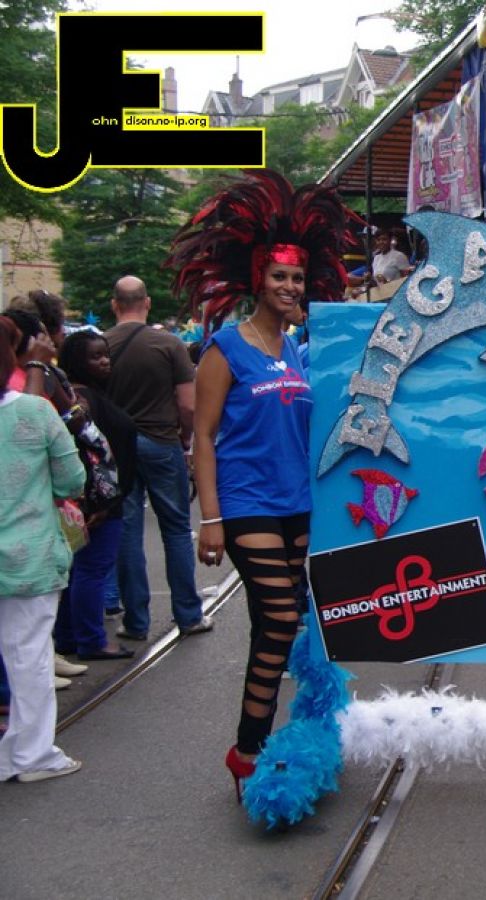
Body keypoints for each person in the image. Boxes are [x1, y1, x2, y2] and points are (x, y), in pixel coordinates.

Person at [166, 168, 356, 801]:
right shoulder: (225, 349)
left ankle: (260, 743)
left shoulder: (297, 353)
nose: (289, 286)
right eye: (279, 276)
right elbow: (203, 436)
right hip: (246, 506)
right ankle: (248, 750)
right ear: (257, 279)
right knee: (278, 617)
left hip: (298, 506)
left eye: (297, 278)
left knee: (280, 622)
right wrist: (210, 518)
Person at [0, 316, 87, 783]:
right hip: (26, 554)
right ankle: (33, 754)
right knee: (30, 656)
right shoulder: (35, 413)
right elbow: (73, 479)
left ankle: (12, 750)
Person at [104, 277, 210, 642]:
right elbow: (188, 405)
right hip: (162, 441)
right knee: (176, 529)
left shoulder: (101, 345)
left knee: (127, 531)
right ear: (147, 303)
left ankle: (136, 620)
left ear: (114, 304)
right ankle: (189, 615)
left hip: (118, 448)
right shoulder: (169, 344)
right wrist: (185, 441)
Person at [53, 331, 137, 661]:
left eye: (106, 355)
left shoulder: (83, 396)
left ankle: (69, 635)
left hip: (100, 498)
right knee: (92, 569)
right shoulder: (82, 402)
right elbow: (86, 451)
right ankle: (91, 639)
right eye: (95, 356)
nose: (104, 362)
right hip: (100, 502)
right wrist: (95, 502)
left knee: (78, 570)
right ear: (77, 361)